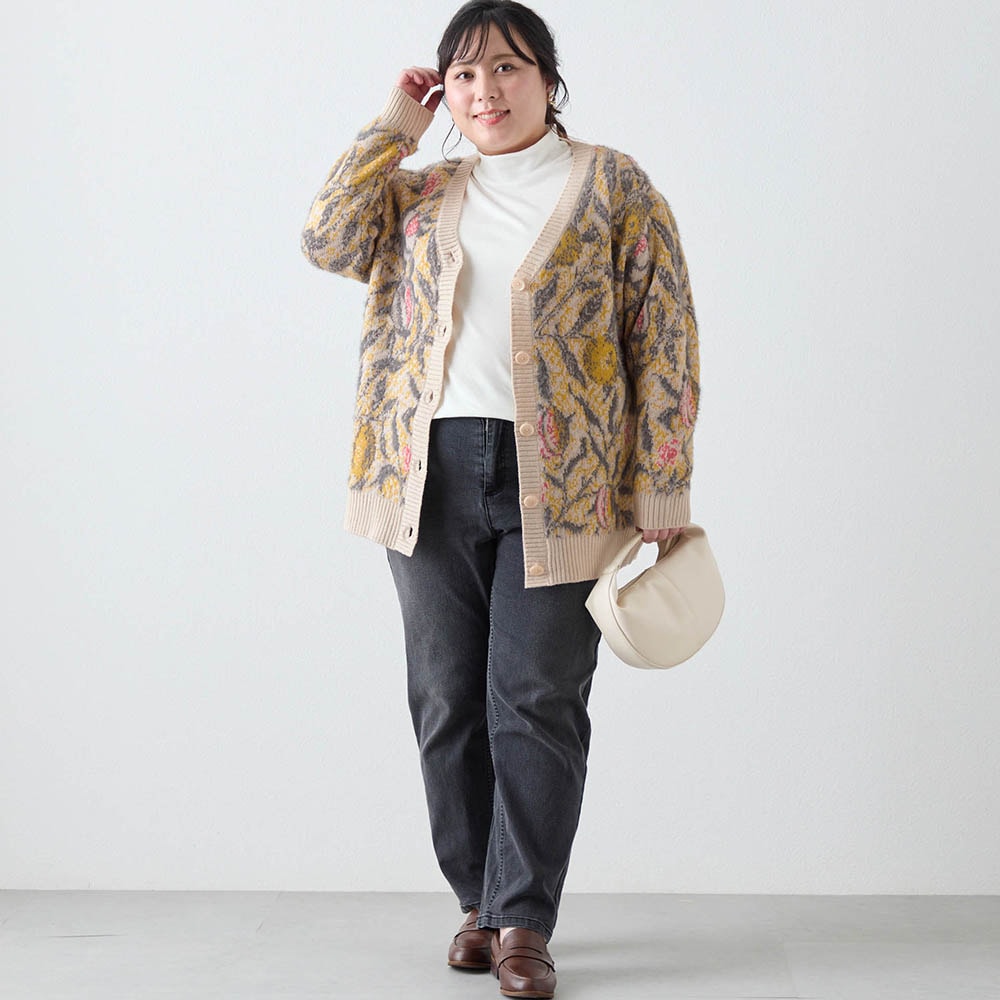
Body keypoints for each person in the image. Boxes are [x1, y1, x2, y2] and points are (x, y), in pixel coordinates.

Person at [301, 1, 700, 995]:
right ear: (447, 92)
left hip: (566, 484)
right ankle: (476, 900)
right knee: (445, 700)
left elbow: (664, 335)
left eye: (509, 68)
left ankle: (523, 919)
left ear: (549, 81)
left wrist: (663, 477)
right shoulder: (419, 190)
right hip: (424, 477)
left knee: (535, 700)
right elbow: (325, 237)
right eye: (465, 76)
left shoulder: (612, 184)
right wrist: (396, 122)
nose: (487, 91)